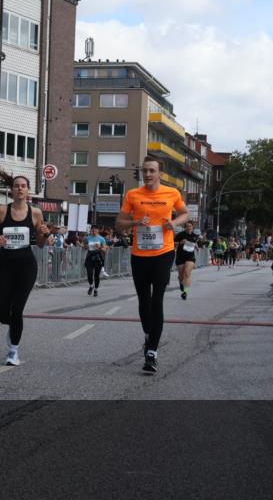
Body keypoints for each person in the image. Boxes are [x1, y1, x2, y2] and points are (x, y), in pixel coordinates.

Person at [115, 156, 189, 373]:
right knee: (143, 300)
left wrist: (172, 223)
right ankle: (148, 335)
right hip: (139, 254)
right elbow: (119, 223)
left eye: (152, 171)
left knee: (157, 300)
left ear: (160, 173)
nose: (148, 174)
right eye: (145, 171)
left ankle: (152, 352)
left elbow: (184, 214)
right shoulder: (133, 195)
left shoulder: (171, 193)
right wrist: (136, 222)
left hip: (163, 252)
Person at [0, 172, 51, 366]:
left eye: (23, 185)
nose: (20, 188)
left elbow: (39, 244)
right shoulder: (1, 211)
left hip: (26, 266)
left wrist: (45, 235)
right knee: (4, 314)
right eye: (16, 185)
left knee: (18, 309)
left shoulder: (36, 213)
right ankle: (11, 329)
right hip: (5, 265)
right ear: (11, 190)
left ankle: (13, 351)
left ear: (28, 190)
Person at [175, 221, 200, 299]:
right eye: (187, 226)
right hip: (180, 256)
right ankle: (181, 283)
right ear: (185, 227)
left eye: (190, 226)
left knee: (187, 274)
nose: (189, 227)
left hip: (190, 257)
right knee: (181, 276)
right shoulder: (180, 235)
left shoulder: (195, 236)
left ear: (192, 227)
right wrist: (180, 243)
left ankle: (185, 292)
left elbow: (195, 243)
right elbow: (173, 243)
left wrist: (197, 247)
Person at [84, 225, 107, 297]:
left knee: (96, 276)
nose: (93, 231)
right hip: (90, 257)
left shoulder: (101, 239)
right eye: (92, 230)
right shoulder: (87, 238)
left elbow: (104, 250)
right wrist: (86, 246)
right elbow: (84, 247)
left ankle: (96, 289)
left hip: (98, 257)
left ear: (98, 230)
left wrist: (99, 247)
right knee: (89, 275)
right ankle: (91, 285)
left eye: (95, 230)